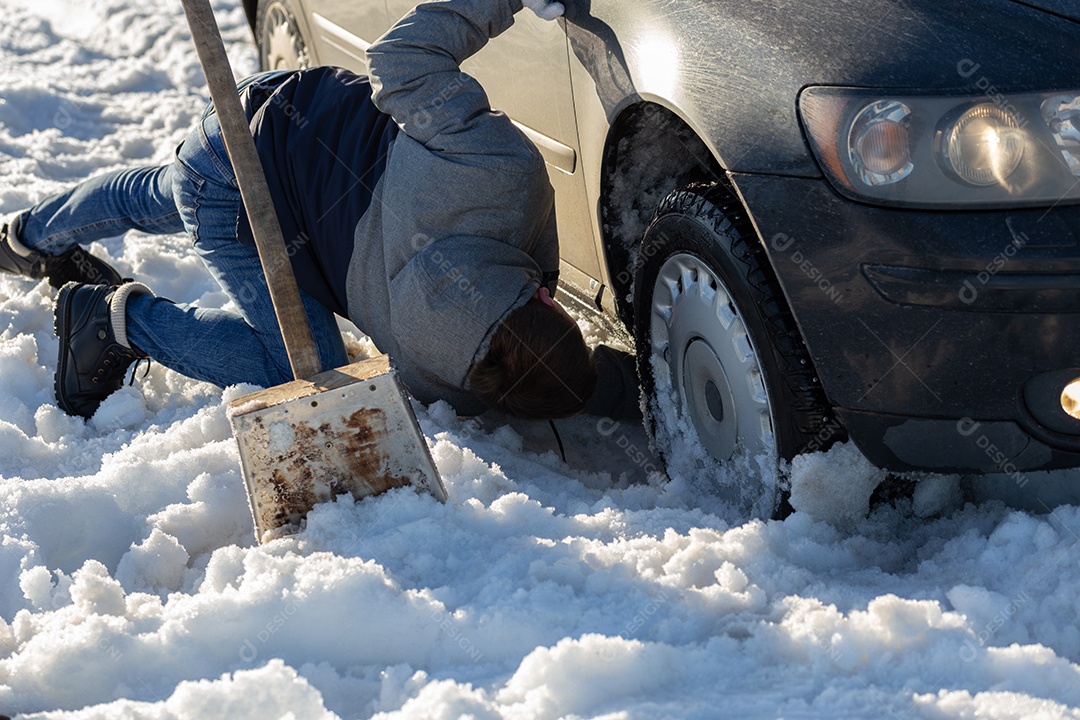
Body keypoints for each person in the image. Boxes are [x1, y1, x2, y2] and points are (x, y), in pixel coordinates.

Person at [0, 0, 640, 424]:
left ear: (549, 307)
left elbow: (399, 61)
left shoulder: (499, 173)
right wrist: (632, 391)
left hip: (276, 114)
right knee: (301, 367)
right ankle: (114, 320)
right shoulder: (442, 378)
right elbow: (523, 378)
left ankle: (28, 237)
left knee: (166, 193)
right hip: (240, 174)